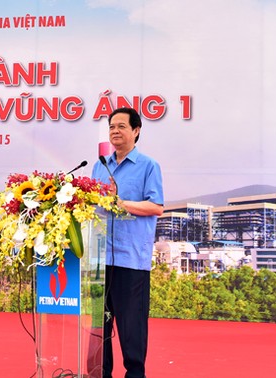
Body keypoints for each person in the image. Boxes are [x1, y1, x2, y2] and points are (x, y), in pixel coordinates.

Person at [91, 107, 164, 378]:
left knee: (131, 326)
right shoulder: (100, 165)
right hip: (99, 259)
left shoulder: (148, 166)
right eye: (111, 126)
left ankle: (135, 374)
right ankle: (101, 373)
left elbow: (156, 206)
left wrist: (121, 204)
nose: (115, 131)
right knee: (100, 325)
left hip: (131, 258)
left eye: (121, 126)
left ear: (136, 131)